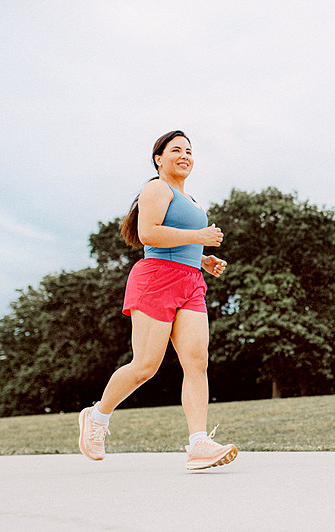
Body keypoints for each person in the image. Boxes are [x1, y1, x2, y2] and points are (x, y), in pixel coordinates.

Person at [78, 130, 237, 470]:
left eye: (189, 151)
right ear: (158, 158)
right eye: (176, 150)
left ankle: (199, 444)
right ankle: (97, 416)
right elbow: (148, 233)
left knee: (197, 361)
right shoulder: (156, 188)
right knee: (146, 365)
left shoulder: (192, 201)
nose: (185, 155)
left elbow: (180, 244)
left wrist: (202, 259)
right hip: (156, 279)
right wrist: (199, 236)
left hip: (190, 281)